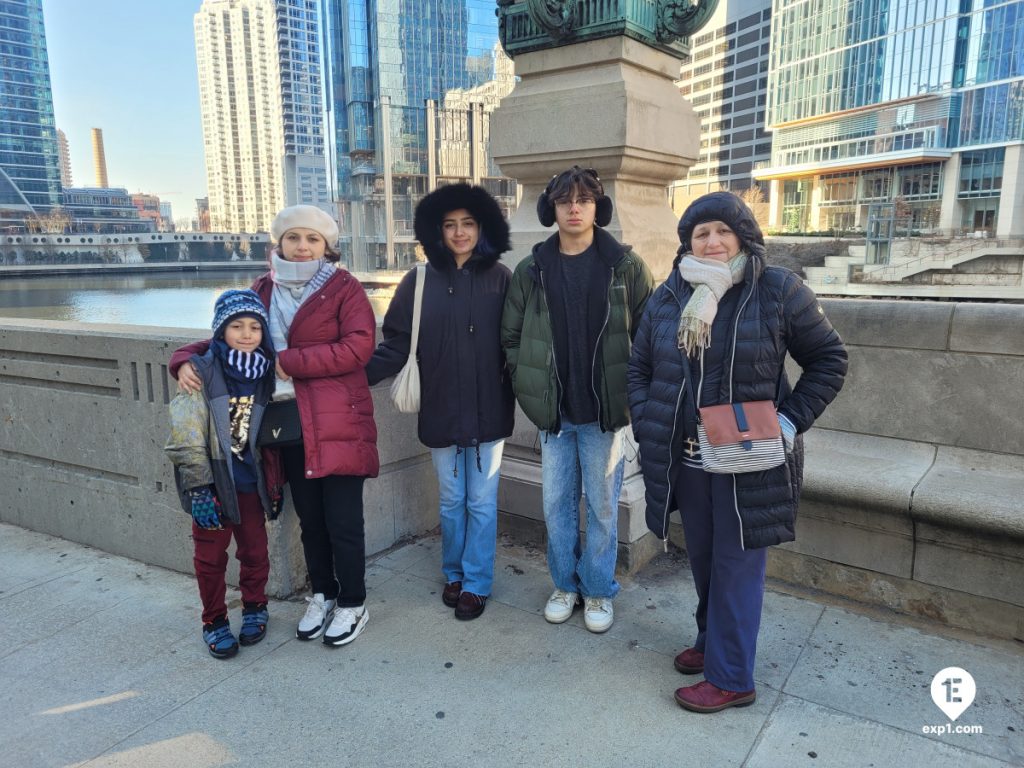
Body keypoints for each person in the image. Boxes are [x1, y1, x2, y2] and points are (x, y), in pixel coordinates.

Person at [627, 191, 847, 712]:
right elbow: (639, 368)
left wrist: (787, 422)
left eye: (723, 231)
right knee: (705, 561)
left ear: (744, 236)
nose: (712, 241)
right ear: (688, 243)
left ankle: (731, 678)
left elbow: (829, 360)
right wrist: (647, 416)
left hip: (751, 458)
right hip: (689, 457)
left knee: (738, 566)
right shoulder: (669, 295)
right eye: (701, 233)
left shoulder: (776, 289)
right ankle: (712, 643)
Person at [171, 205, 379, 648]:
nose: (303, 247)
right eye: (294, 237)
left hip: (339, 420)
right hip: (287, 426)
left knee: (343, 520)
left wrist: (291, 361)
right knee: (310, 520)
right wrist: (183, 358)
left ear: (326, 246)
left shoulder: (343, 288)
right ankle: (323, 594)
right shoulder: (263, 288)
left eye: (313, 239)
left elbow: (359, 348)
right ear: (279, 243)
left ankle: (353, 602)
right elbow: (232, 334)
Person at [501, 166, 653, 633]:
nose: (574, 208)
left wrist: (633, 395)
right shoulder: (532, 270)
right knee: (556, 506)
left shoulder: (625, 267)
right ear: (551, 208)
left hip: (604, 414)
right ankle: (565, 584)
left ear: (597, 208)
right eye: (565, 201)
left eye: (584, 200)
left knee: (603, 507)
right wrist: (529, 389)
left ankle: (599, 588)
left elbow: (649, 335)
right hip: (555, 413)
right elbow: (511, 337)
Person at [366, 184, 514, 621]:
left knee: (481, 501)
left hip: (489, 410)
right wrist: (352, 376)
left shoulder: (502, 279)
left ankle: (477, 582)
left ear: (482, 227)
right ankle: (454, 573)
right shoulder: (418, 281)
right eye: (450, 225)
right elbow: (396, 342)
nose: (459, 232)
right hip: (440, 408)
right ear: (437, 231)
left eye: (468, 223)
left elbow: (521, 343)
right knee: (451, 500)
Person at [165, 289, 281, 659]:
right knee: (210, 559)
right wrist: (199, 487)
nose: (246, 334)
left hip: (250, 483)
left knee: (255, 551)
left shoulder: (266, 372)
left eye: (254, 327)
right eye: (236, 326)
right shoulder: (200, 371)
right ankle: (214, 620)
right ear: (221, 330)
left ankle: (255, 607)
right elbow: (185, 435)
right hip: (212, 485)